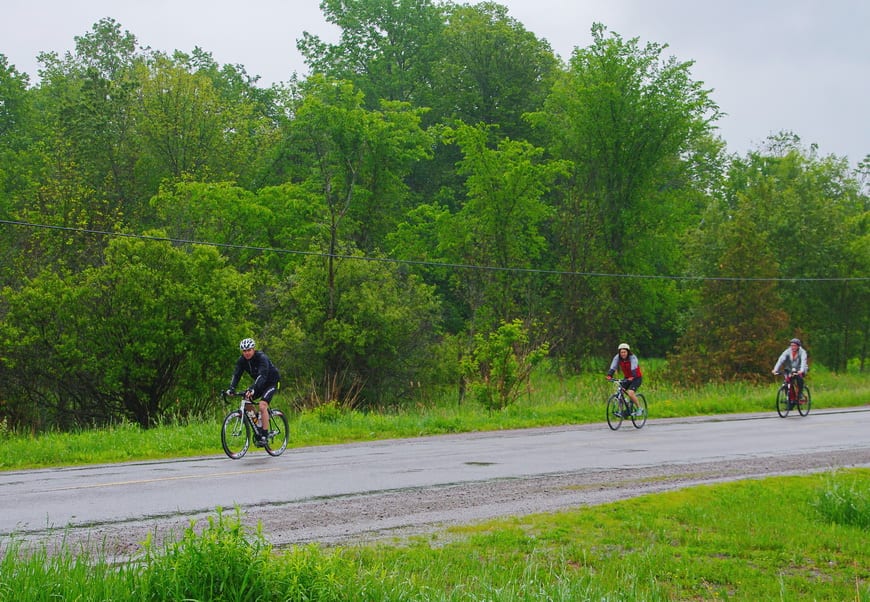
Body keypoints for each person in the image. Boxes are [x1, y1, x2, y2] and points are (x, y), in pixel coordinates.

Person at [226, 338, 280, 446]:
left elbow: (262, 376)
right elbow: (236, 375)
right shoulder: (242, 360)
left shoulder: (262, 358)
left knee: (262, 405)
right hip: (259, 383)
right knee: (246, 399)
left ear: (253, 349)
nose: (246, 353)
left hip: (271, 382)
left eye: (249, 350)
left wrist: (252, 388)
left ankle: (264, 435)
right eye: (244, 351)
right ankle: (258, 424)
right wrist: (231, 388)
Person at [606, 343, 643, 414]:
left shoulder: (632, 357)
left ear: (628, 352)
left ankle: (639, 408)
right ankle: (622, 410)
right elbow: (613, 366)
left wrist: (633, 376)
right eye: (621, 352)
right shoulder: (617, 357)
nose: (623, 354)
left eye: (624, 352)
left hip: (636, 378)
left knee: (630, 393)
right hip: (627, 378)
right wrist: (609, 375)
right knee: (620, 392)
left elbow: (634, 367)